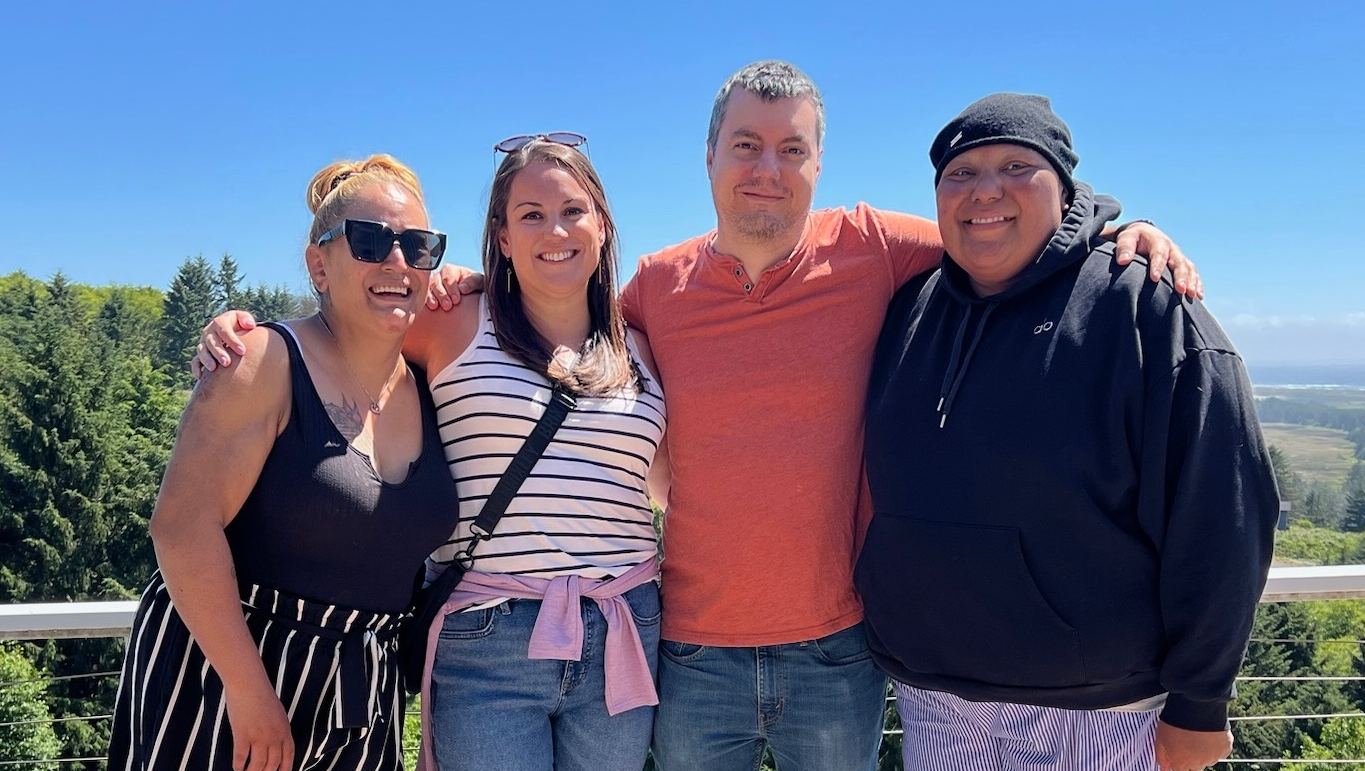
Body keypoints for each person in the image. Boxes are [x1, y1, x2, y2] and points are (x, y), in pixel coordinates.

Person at [197, 62, 1199, 771]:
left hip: (827, 645)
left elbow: (998, 225)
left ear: (819, 161)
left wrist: (1114, 229)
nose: (768, 167)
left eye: (791, 148)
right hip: (674, 646)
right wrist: (252, 331)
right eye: (746, 145)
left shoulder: (873, 248)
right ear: (709, 155)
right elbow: (365, 329)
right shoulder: (645, 294)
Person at [197, 137, 668, 771]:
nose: (555, 230)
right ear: (502, 237)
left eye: (573, 211)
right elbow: (343, 322)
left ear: (603, 226)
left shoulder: (643, 345)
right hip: (489, 631)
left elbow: (668, 485)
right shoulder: (453, 321)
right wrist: (238, 333)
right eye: (530, 214)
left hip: (624, 625)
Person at [856, 93, 1278, 771]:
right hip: (934, 701)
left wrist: (1200, 702)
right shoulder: (908, 308)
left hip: (1100, 713)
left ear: (1064, 186)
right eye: (960, 173)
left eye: (1015, 166)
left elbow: (1222, 517)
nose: (984, 190)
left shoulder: (1142, 307)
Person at [109, 155, 461, 771]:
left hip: (364, 694)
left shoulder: (430, 380)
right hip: (226, 677)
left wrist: (474, 281)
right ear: (318, 265)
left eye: (418, 246)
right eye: (370, 240)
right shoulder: (262, 362)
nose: (397, 261)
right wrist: (248, 692)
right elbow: (182, 528)